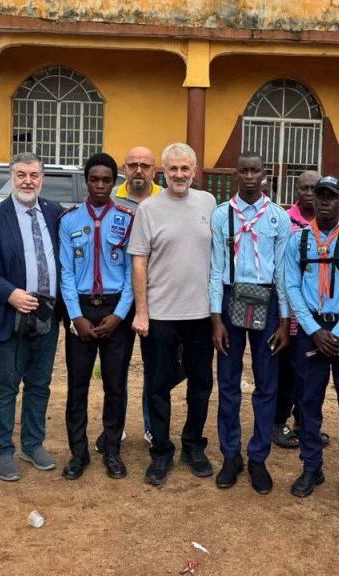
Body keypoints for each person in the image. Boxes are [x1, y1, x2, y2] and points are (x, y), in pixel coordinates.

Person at [129, 142, 217, 486]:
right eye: (173, 169)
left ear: (194, 171)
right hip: (161, 314)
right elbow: (139, 261)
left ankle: (194, 445)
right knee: (158, 386)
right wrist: (142, 311)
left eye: (186, 169)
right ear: (163, 172)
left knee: (201, 384)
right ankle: (161, 452)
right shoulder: (148, 209)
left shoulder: (208, 203)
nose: (179, 175)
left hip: (199, 315)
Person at [0, 152, 64, 482]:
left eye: (34, 175)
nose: (28, 181)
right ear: (12, 178)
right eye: (22, 174)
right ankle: (1, 451)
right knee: (5, 387)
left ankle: (32, 443)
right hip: (9, 315)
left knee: (39, 384)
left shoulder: (53, 212)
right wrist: (10, 293)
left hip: (48, 315)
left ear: (42, 178)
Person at [209, 151, 291, 494]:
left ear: (265, 174)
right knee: (228, 383)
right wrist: (216, 317)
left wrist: (285, 319)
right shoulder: (221, 216)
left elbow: (284, 272)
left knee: (266, 382)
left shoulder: (278, 218)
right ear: (236, 175)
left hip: (267, 302)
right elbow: (215, 269)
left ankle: (258, 456)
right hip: (231, 299)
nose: (250, 176)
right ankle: (231, 455)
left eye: (256, 170)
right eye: (243, 170)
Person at [284, 176, 339, 502]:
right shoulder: (299, 241)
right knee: (307, 403)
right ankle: (311, 467)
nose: (323, 202)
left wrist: (336, 333)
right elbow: (291, 286)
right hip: (311, 336)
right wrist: (313, 330)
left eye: (331, 197)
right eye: (319, 195)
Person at [59, 153, 134, 480]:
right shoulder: (70, 219)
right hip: (83, 310)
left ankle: (113, 451)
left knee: (115, 385)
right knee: (78, 386)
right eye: (94, 179)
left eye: (107, 180)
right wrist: (76, 316)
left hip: (117, 310)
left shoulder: (128, 217)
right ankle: (78, 452)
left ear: (115, 182)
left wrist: (119, 315)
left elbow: (134, 271)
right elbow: (66, 272)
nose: (101, 185)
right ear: (87, 181)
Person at [98, 144, 162, 451]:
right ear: (124, 169)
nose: (139, 170)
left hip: (158, 297)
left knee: (155, 367)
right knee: (116, 367)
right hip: (120, 298)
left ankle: (152, 427)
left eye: (145, 165)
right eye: (133, 164)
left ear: (154, 170)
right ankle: (115, 427)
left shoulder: (166, 199)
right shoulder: (110, 199)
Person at [274, 170, 328, 449]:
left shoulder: (332, 225)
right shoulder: (285, 220)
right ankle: (278, 421)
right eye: (304, 188)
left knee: (312, 372)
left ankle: (303, 422)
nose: (309, 193)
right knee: (288, 372)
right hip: (291, 315)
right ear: (297, 190)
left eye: (314, 189)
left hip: (320, 318)